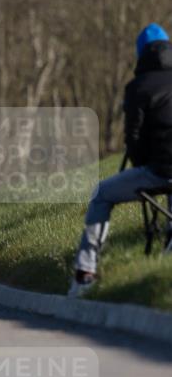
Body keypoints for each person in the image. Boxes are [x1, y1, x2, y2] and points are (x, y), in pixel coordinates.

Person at [69, 23, 172, 297]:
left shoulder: (138, 87)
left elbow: (133, 138)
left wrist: (141, 162)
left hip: (158, 171)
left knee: (102, 193)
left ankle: (85, 272)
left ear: (141, 54)